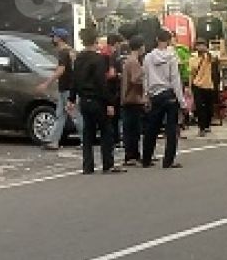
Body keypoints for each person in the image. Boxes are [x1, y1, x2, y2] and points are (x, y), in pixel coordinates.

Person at [68, 28, 123, 175]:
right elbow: (101, 83)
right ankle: (108, 164)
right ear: (96, 40)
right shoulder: (98, 59)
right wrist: (110, 102)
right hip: (98, 100)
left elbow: (74, 79)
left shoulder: (78, 58)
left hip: (83, 99)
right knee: (106, 131)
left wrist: (71, 98)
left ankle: (87, 166)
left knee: (88, 133)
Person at [142, 29, 187, 169]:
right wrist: (182, 101)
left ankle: (146, 159)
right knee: (171, 129)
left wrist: (146, 94)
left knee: (152, 128)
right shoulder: (172, 57)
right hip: (169, 94)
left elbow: (145, 77)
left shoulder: (148, 57)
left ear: (156, 39)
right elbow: (175, 80)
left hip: (155, 95)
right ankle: (168, 161)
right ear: (168, 40)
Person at [38, 28, 83, 150]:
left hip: (67, 87)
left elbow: (61, 70)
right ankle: (54, 141)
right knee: (62, 114)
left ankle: (85, 140)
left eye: (54, 36)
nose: (52, 39)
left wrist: (47, 83)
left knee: (74, 115)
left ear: (59, 38)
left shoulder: (63, 52)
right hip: (69, 87)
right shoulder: (71, 51)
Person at [120, 36, 145, 167]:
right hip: (133, 98)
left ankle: (131, 155)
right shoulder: (134, 62)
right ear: (140, 47)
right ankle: (132, 155)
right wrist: (144, 75)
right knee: (133, 130)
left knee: (130, 129)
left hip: (127, 98)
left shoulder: (128, 60)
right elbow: (135, 79)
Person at [189, 38, 220, 137]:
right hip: (197, 85)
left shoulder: (209, 57)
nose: (200, 47)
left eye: (202, 45)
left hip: (209, 85)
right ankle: (201, 128)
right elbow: (192, 74)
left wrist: (207, 51)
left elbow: (216, 59)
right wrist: (190, 87)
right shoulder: (193, 59)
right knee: (199, 107)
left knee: (209, 107)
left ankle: (207, 125)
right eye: (198, 45)